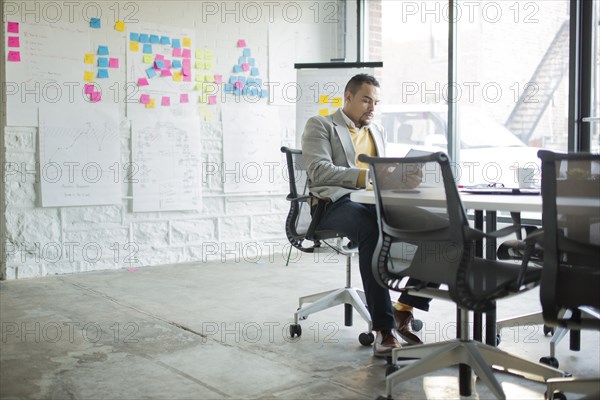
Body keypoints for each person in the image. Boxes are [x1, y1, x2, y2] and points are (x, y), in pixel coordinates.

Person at [301, 73, 433, 357]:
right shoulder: (320, 125)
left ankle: (403, 309)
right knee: (372, 229)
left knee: (436, 225)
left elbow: (382, 176)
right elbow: (320, 170)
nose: (372, 108)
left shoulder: (377, 131)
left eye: (376, 102)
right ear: (348, 98)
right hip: (332, 204)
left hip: (373, 201)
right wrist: (370, 175)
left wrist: (399, 179)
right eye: (366, 100)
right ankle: (384, 329)